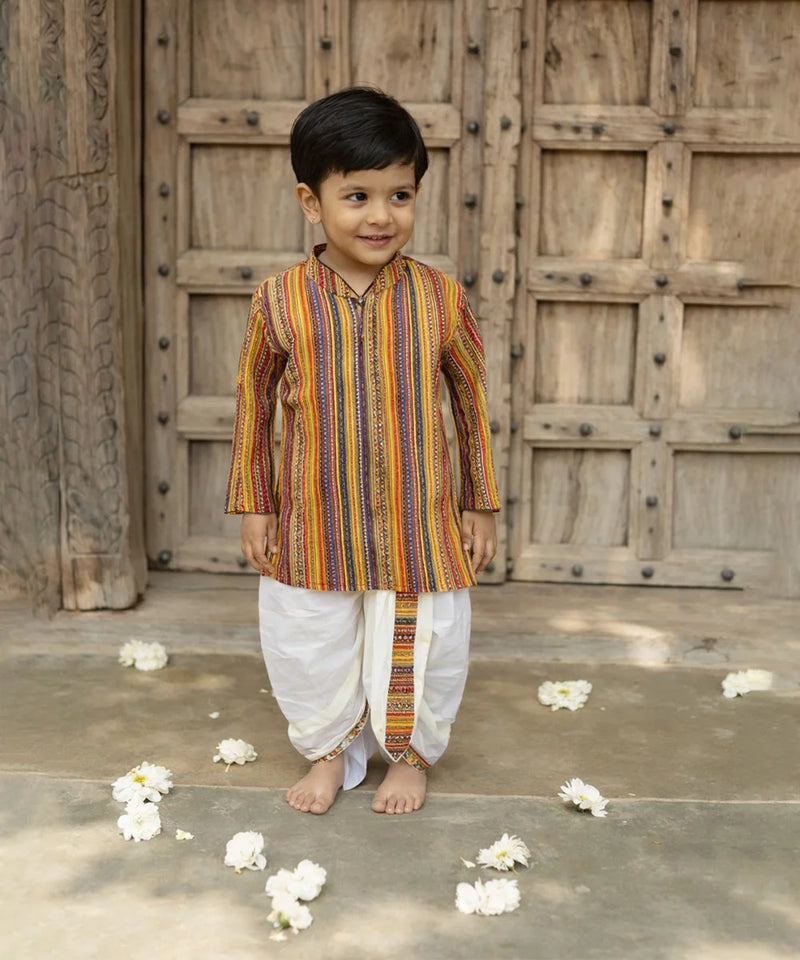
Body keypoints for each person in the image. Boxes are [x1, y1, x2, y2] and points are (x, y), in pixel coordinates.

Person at [225, 87, 500, 816]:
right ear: (311, 202)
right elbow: (254, 408)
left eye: (400, 194)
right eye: (357, 196)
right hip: (314, 517)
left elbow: (470, 405)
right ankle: (329, 751)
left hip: (420, 516)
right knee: (309, 633)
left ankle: (407, 756)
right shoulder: (278, 301)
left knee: (424, 638)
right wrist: (254, 504)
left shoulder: (440, 298)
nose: (382, 216)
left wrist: (481, 502)